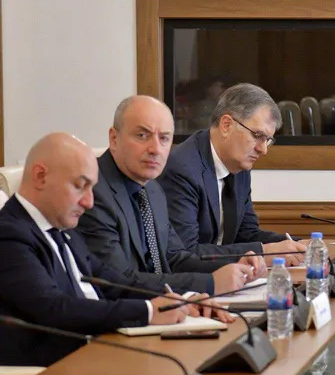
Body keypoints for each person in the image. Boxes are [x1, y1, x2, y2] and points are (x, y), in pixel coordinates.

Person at [0, 133, 234, 368]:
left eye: (92, 188)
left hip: (99, 355)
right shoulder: (9, 234)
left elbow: (113, 283)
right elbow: (54, 309)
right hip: (50, 373)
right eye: (80, 186)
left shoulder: (61, 229)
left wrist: (182, 299)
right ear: (40, 176)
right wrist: (147, 312)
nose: (89, 202)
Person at [78, 96, 265, 295]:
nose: (155, 149)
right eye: (142, 135)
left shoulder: (152, 189)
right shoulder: (91, 193)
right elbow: (118, 282)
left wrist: (235, 264)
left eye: (164, 138)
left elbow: (175, 258)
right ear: (114, 138)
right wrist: (210, 283)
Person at [158, 83, 306, 266]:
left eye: (267, 140)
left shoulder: (239, 165)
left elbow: (247, 234)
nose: (263, 150)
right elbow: (186, 254)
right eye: (257, 136)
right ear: (226, 125)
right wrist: (264, 252)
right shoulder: (182, 169)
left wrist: (297, 245)